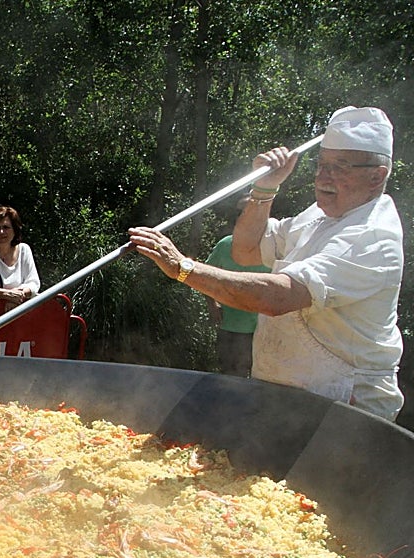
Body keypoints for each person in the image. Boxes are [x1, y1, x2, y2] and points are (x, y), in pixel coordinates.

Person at [129, 106, 404, 421]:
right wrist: (265, 187)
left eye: (340, 166)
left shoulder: (371, 236)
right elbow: (246, 250)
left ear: (376, 176)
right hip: (289, 395)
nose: (323, 177)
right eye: (322, 164)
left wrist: (183, 267)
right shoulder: (317, 216)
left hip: (345, 405)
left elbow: (279, 297)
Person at [201, 197, 266, 377]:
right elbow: (205, 277)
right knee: (228, 375)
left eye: (248, 211)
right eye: (239, 212)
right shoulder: (225, 245)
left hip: (261, 330)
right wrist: (212, 306)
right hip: (229, 326)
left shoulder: (274, 246)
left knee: (258, 376)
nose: (243, 216)